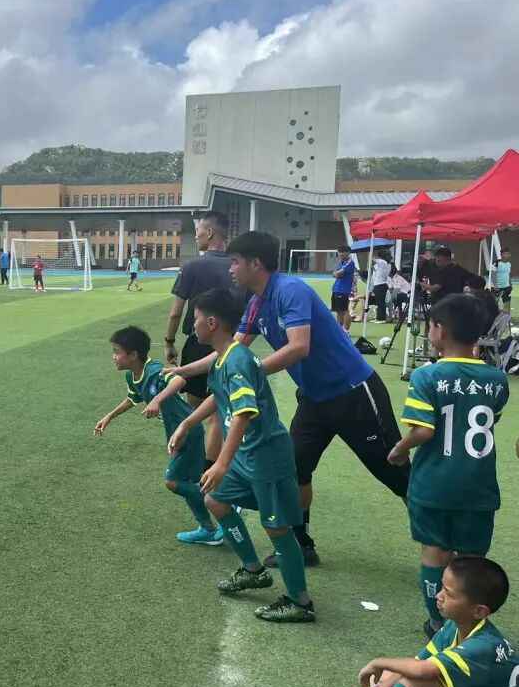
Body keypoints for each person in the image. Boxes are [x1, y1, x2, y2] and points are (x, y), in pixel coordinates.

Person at [169, 231, 410, 568]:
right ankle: (301, 543)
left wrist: (249, 372)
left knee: (394, 472)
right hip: (313, 399)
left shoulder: (290, 290)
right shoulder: (256, 303)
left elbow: (299, 347)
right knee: (295, 469)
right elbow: (230, 351)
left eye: (235, 262)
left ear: (256, 264)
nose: (231, 269)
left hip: (353, 392)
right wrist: (183, 371)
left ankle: (440, 546)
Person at [169, 288, 315, 623]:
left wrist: (221, 463)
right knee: (215, 500)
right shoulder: (224, 357)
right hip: (247, 456)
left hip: (266, 457)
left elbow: (243, 413)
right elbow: (219, 398)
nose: (193, 325)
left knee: (277, 528)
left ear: (211, 322)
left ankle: (300, 602)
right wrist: (188, 424)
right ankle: (252, 569)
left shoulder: (236, 360)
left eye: (195, 319)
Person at [389, 293, 509, 637]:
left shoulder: (427, 376)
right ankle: (470, 625)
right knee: (472, 558)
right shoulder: (497, 379)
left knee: (435, 552)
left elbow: (423, 431)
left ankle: (438, 623)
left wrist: (399, 449)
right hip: (479, 486)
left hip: (434, 484)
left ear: (440, 330)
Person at [323, 556, 516, 687]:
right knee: (388, 678)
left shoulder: (485, 645)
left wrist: (378, 662)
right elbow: (419, 662)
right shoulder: (455, 626)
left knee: (419, 680)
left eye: (448, 593)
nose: (439, 595)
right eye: (442, 587)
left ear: (479, 611)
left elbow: (422, 670)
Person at [94, 326, 222, 546]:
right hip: (178, 434)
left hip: (188, 431)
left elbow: (179, 381)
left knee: (172, 482)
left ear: (133, 355)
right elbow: (132, 399)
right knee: (188, 483)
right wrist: (109, 417)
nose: (113, 357)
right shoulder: (132, 376)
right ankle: (208, 529)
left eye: (116, 352)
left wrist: (157, 399)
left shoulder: (153, 370)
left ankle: (223, 504)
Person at [166, 211, 241, 473]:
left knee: (194, 409)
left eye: (198, 231)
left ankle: (189, 465)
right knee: (219, 412)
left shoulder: (193, 266)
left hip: (198, 344)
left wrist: (169, 342)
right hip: (230, 346)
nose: (196, 236)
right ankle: (210, 470)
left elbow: (176, 312)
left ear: (209, 232)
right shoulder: (237, 266)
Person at [332, 245, 357, 332]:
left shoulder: (349, 263)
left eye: (342, 252)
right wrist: (336, 273)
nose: (340, 254)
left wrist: (337, 273)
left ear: (348, 253)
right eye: (339, 252)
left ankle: (346, 331)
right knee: (339, 311)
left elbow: (338, 273)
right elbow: (334, 273)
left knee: (344, 311)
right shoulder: (341, 263)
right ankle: (339, 330)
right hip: (336, 289)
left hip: (343, 290)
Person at [371, 250, 392, 323]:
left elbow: (372, 258)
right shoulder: (386, 264)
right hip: (380, 285)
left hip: (380, 285)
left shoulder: (383, 262)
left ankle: (381, 319)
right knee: (379, 302)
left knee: (381, 303)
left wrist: (371, 252)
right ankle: (378, 317)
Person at [492, 247, 512, 312]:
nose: (507, 255)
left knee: (507, 304)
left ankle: (506, 317)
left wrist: (510, 284)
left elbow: (508, 274)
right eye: (505, 253)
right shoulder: (496, 263)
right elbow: (493, 274)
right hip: (498, 287)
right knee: (494, 304)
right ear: (501, 254)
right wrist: (495, 285)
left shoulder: (509, 264)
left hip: (507, 287)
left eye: (508, 253)